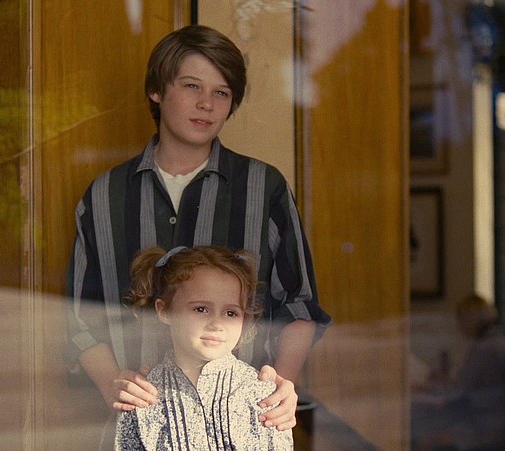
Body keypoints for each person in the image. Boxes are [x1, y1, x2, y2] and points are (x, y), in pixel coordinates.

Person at [65, 24, 331, 443]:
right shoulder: (104, 196)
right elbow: (80, 319)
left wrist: (281, 383)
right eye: (192, 86)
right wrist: (113, 384)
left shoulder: (265, 188)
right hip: (142, 427)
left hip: (245, 425)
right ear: (157, 91)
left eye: (221, 92)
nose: (207, 104)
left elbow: (297, 305)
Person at [114, 245, 293, 450]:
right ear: (164, 311)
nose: (217, 324)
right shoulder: (141, 396)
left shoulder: (262, 394)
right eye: (201, 309)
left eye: (230, 313)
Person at [412, 294, 505, 450]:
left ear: (470, 319)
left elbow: (459, 392)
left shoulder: (484, 349)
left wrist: (424, 388)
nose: (458, 324)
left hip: (484, 426)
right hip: (495, 421)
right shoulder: (499, 341)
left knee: (426, 436)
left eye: (460, 319)